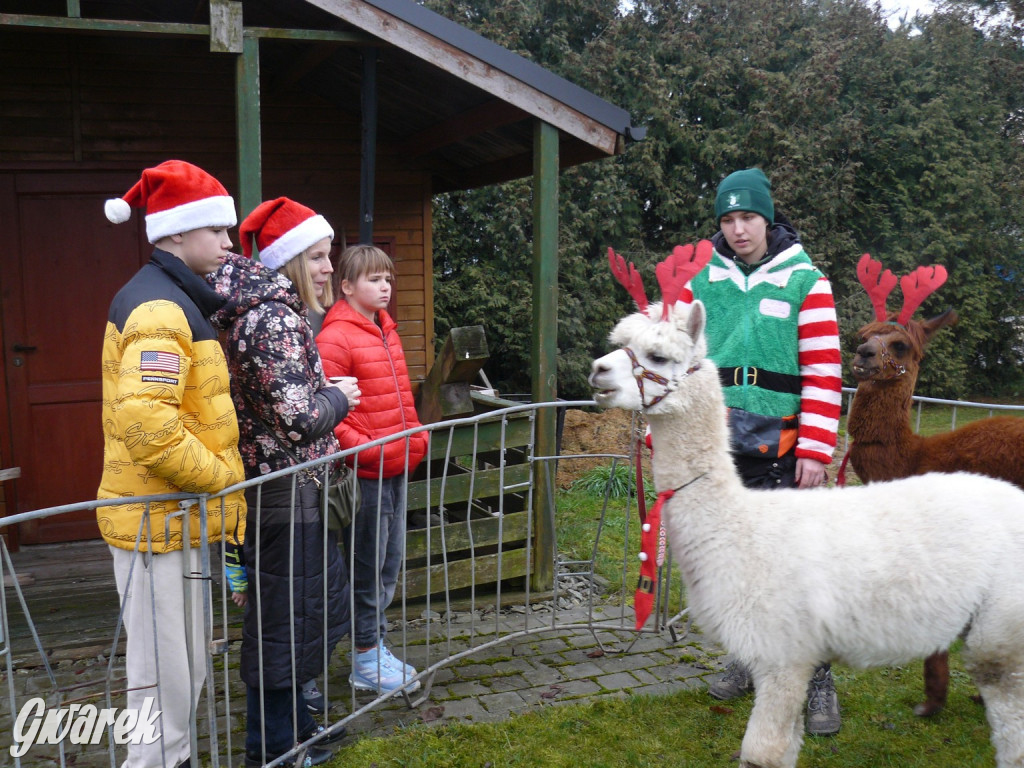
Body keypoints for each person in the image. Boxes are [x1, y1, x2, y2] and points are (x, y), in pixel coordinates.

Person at [97, 159, 247, 768]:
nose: (228, 243)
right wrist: (223, 480)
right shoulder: (159, 309)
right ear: (178, 233)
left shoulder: (172, 299)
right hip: (156, 522)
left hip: (170, 520)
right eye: (217, 229)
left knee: (180, 663)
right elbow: (148, 425)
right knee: (163, 672)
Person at [688, 168, 843, 735]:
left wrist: (817, 448)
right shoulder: (700, 280)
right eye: (727, 220)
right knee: (736, 561)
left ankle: (819, 678)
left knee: (795, 564)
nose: (738, 230)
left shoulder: (807, 281)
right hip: (718, 446)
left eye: (747, 217)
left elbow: (824, 371)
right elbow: (676, 358)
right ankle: (748, 657)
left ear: (767, 217)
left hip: (783, 444)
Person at [207, 197, 361, 768]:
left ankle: (298, 729)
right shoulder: (271, 318)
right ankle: (272, 749)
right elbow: (297, 419)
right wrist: (340, 397)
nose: (329, 268)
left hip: (295, 491)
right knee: (281, 624)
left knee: (299, 619)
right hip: (283, 491)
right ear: (291, 259)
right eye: (319, 257)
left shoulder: (277, 311)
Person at [315, 244, 429, 695]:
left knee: (388, 563)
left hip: (397, 465)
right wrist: (370, 451)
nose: (385, 287)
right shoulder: (334, 338)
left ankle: (373, 647)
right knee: (367, 566)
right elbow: (331, 414)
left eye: (388, 279)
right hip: (366, 474)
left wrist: (416, 438)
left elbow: (401, 399)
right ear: (346, 286)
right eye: (374, 280)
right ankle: (365, 656)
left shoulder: (386, 329)